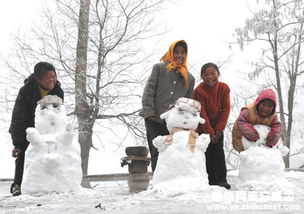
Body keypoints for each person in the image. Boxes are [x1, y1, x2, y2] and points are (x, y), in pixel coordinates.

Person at [9, 62, 64, 196]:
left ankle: (54, 184)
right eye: (48, 77)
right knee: (25, 152)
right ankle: (17, 184)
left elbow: (59, 115)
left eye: (53, 76)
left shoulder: (58, 91)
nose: (52, 80)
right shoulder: (26, 91)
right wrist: (17, 143)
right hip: (28, 127)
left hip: (48, 130)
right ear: (38, 79)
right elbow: (18, 117)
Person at [140, 40, 195, 172]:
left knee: (172, 152)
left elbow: (188, 102)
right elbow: (149, 91)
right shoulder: (159, 68)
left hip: (175, 123)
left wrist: (185, 123)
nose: (179, 56)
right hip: (154, 119)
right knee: (157, 150)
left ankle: (170, 181)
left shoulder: (189, 78)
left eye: (183, 53)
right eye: (176, 52)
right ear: (171, 52)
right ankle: (157, 182)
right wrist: (149, 113)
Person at [193, 62, 231, 189]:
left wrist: (219, 129)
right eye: (206, 74)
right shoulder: (198, 91)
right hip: (203, 128)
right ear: (202, 76)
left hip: (218, 127)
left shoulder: (224, 88)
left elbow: (226, 109)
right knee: (208, 154)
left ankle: (222, 180)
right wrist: (209, 132)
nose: (210, 77)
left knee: (219, 153)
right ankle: (210, 181)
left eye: (213, 73)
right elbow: (202, 113)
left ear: (218, 74)